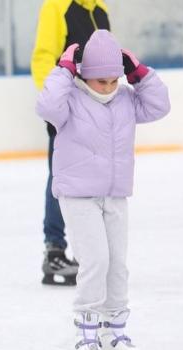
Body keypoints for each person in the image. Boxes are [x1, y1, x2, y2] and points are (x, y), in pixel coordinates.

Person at [35, 30, 170, 350]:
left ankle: (115, 332)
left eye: (114, 79)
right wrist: (64, 70)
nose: (108, 87)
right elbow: (46, 106)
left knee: (117, 265)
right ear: (83, 75)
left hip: (114, 193)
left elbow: (159, 105)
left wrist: (138, 72)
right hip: (78, 194)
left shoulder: (126, 98)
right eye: (100, 80)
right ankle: (87, 332)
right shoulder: (71, 100)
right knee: (95, 260)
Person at [31, 0, 110, 285]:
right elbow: (43, 57)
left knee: (96, 179)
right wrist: (54, 103)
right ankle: (54, 251)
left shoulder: (100, 9)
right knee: (61, 178)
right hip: (67, 110)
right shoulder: (57, 7)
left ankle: (92, 253)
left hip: (99, 110)